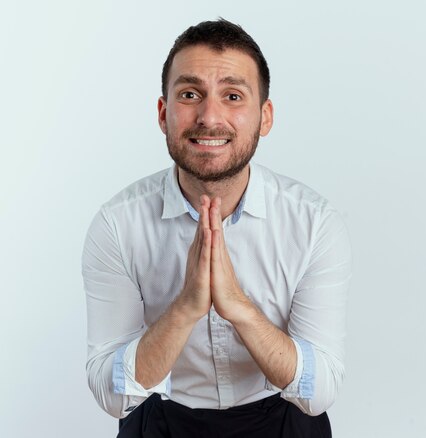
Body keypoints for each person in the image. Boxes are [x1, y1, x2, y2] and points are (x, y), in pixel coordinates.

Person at [82, 19, 351, 437]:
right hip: (163, 419)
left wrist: (239, 308)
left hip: (282, 417)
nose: (210, 117)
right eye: (190, 94)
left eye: (232, 96)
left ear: (264, 117)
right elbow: (113, 396)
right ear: (163, 112)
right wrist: (186, 307)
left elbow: (319, 393)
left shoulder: (314, 223)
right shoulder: (117, 225)